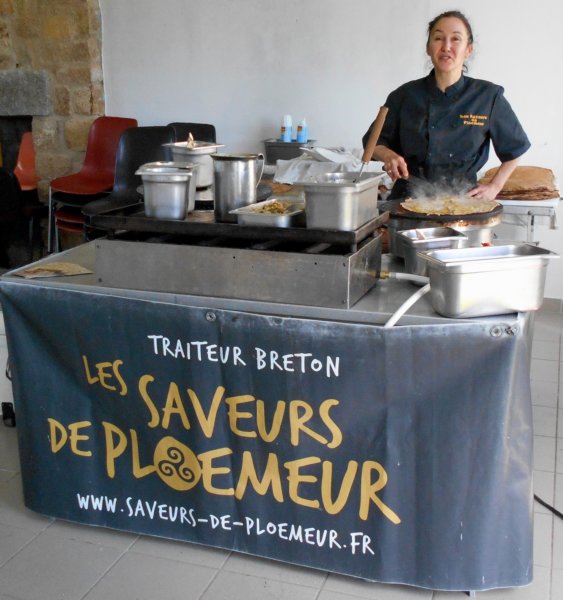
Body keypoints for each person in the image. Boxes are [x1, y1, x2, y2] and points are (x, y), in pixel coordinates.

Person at [363, 10, 530, 202]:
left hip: (464, 201)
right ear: (428, 48)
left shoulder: (488, 96)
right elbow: (372, 143)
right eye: (438, 38)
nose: (446, 46)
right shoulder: (403, 95)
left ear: (468, 49)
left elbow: (515, 148)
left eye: (456, 39)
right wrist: (388, 155)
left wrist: (495, 186)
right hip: (408, 200)